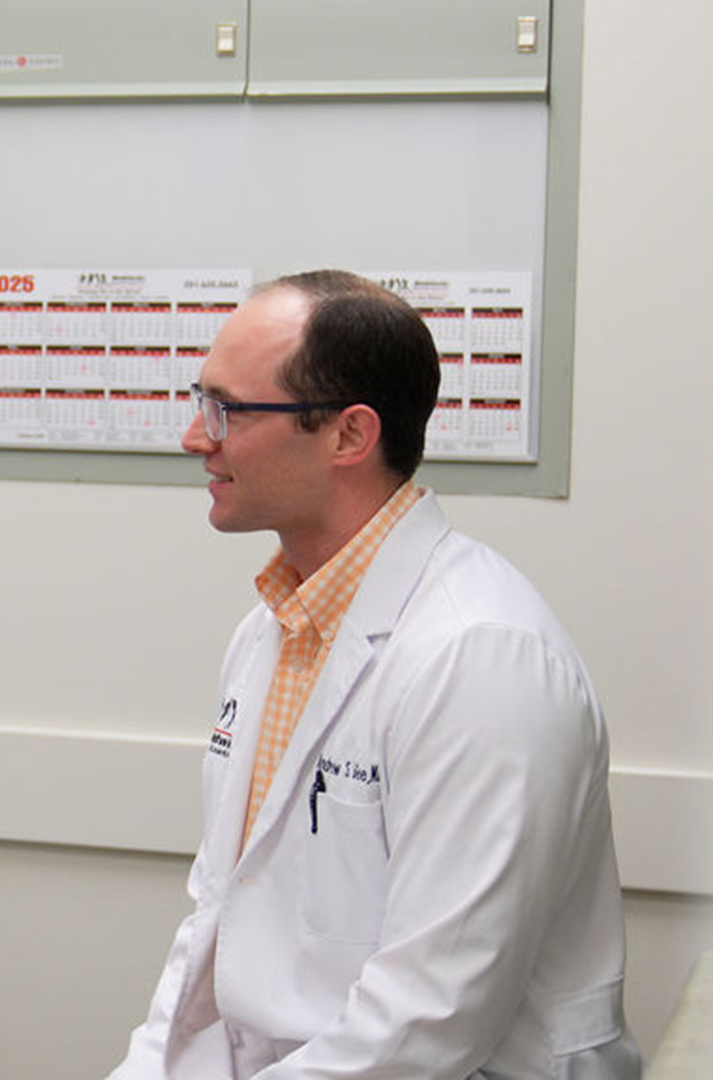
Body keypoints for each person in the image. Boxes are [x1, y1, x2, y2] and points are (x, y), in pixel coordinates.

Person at [109, 270, 639, 1078]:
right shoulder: (273, 631)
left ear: (350, 436)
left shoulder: (481, 657)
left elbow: (427, 1025)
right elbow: (215, 925)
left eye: (228, 409)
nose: (194, 435)